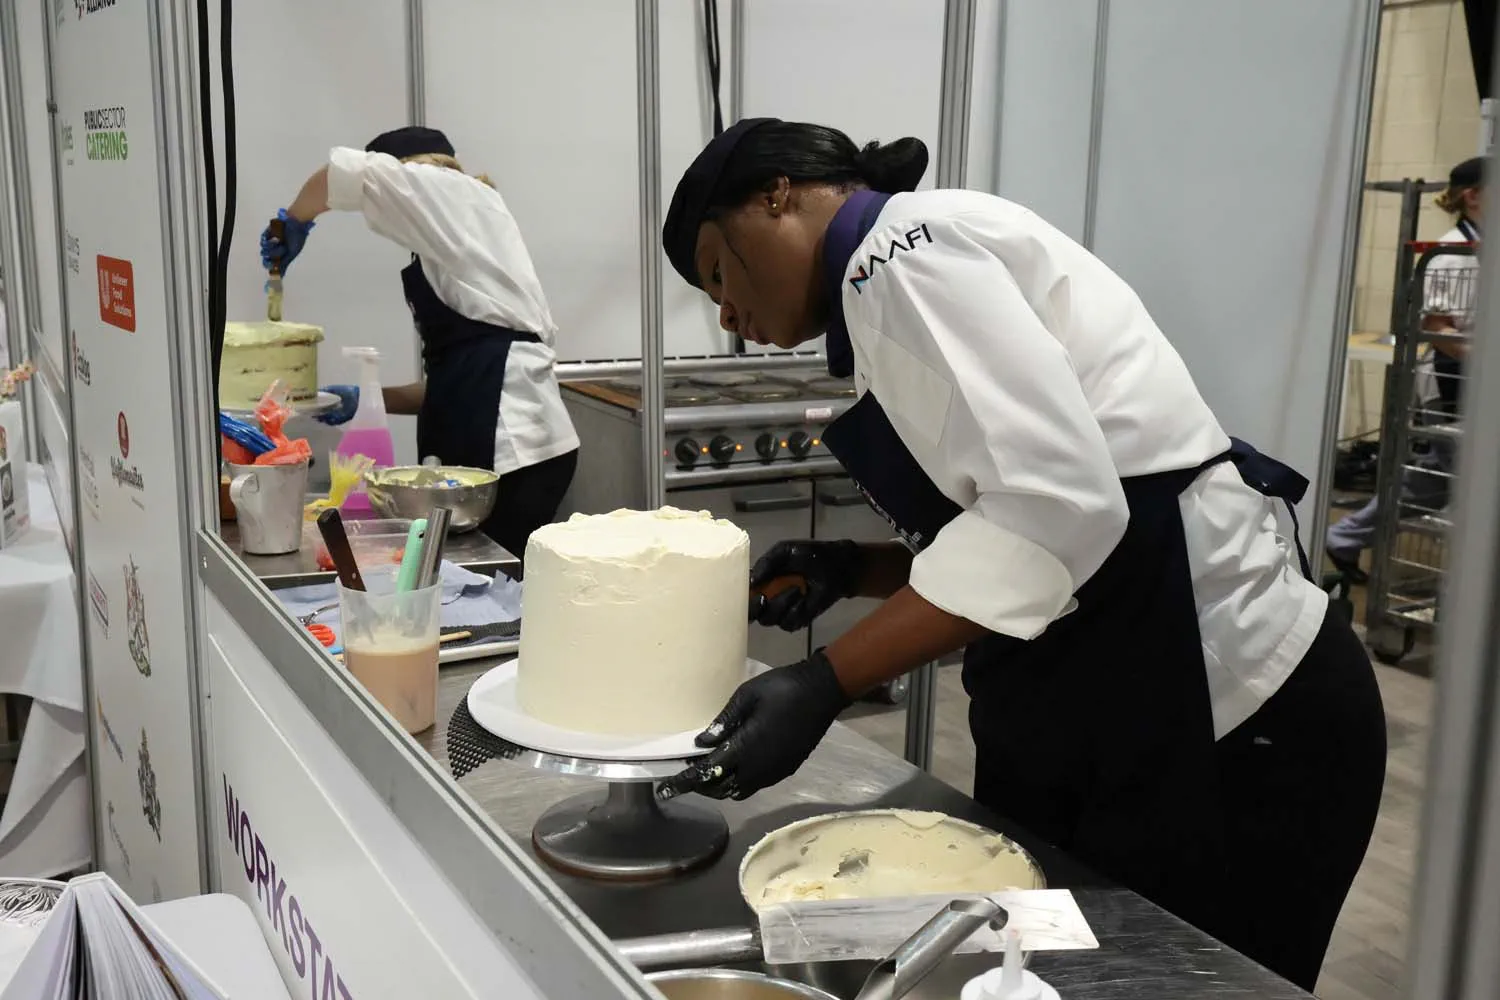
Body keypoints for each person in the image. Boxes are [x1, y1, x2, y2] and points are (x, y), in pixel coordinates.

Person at [654, 119, 1387, 991]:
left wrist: (825, 681)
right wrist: (850, 568)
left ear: (775, 193)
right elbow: (1013, 540)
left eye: (716, 273)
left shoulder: (898, 257)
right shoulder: (890, 282)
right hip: (1143, 698)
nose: (728, 314)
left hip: (1242, 724)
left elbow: (1058, 512)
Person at [261, 127, 579, 559]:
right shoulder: (458, 242)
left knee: (486, 590)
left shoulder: (447, 189)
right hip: (512, 448)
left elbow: (342, 174)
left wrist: (294, 221)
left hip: (513, 455)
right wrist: (370, 398)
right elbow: (458, 379)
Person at [1326, 156, 1483, 581]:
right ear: (1473, 197)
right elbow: (1438, 332)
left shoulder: (1482, 251)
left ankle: (1346, 536)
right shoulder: (1450, 256)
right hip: (1450, 386)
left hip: (1473, 386)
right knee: (1450, 476)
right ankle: (1346, 535)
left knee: (1441, 479)